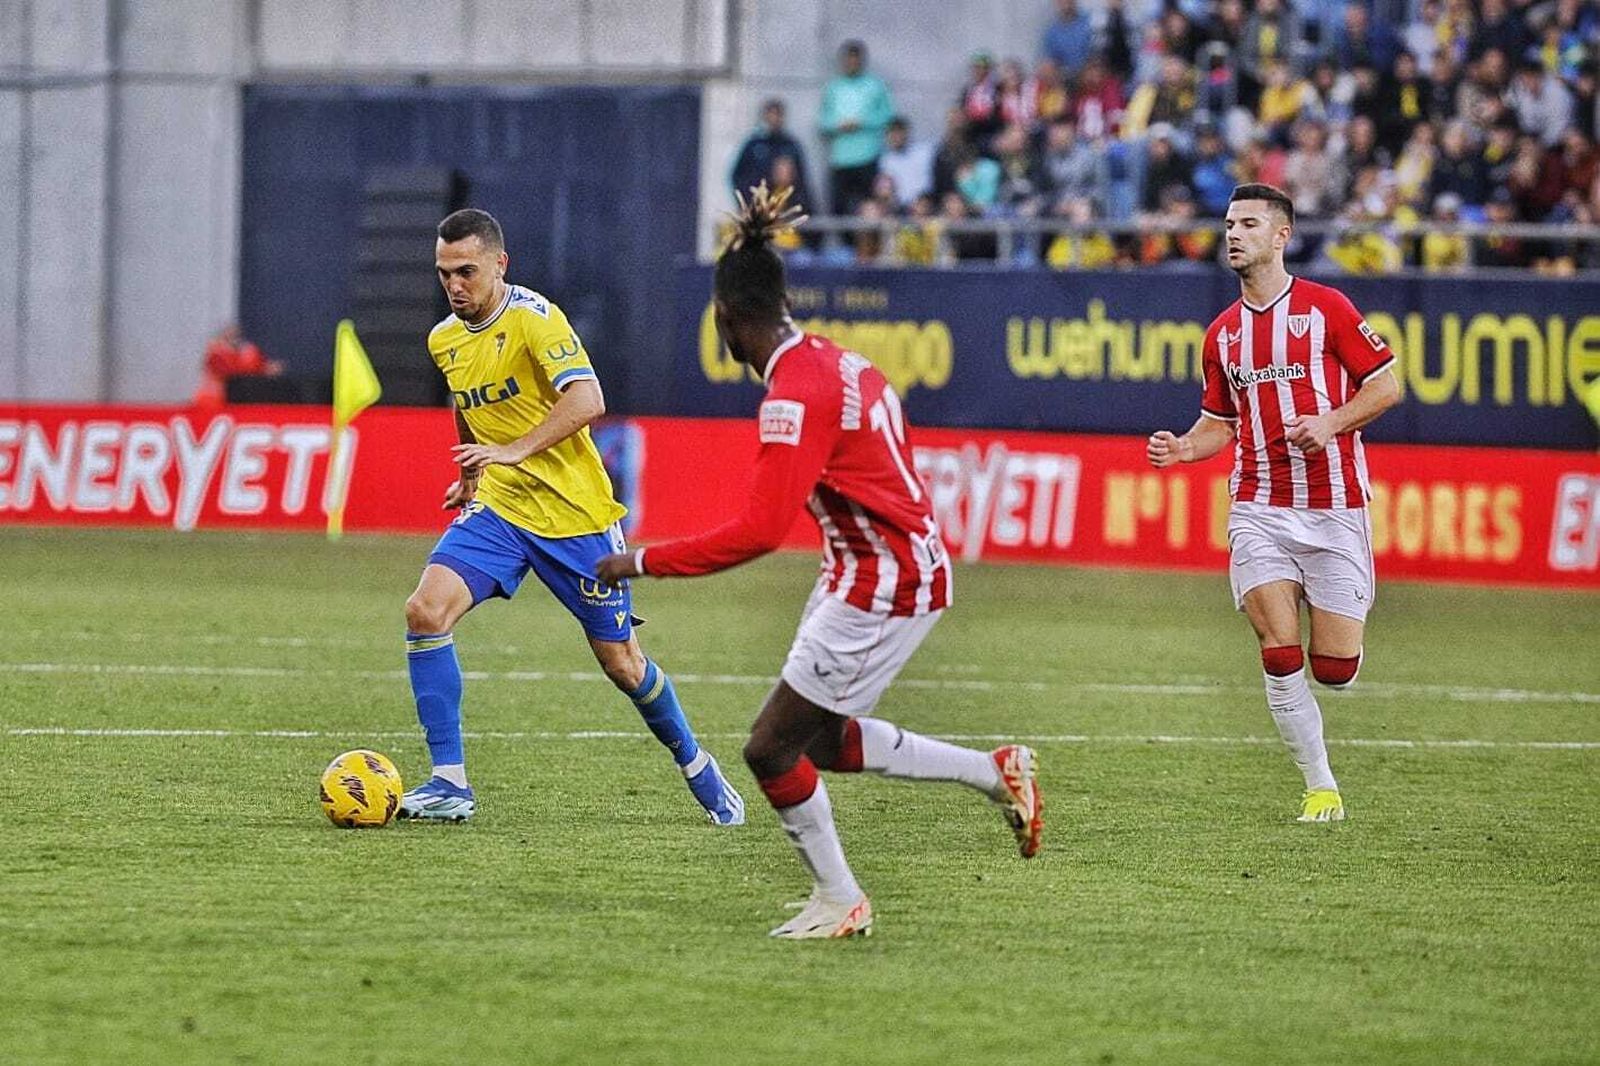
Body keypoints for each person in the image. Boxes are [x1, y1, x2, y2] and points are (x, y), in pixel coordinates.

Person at [595, 184, 1043, 939]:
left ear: (724, 319)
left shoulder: (794, 395)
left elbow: (759, 531)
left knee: (770, 747)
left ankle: (842, 899)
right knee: (823, 739)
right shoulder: (837, 362)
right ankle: (993, 773)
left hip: (884, 581)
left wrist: (637, 562)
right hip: (870, 568)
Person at [399, 208, 745, 826]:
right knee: (425, 611)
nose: (454, 285)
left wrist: (513, 449)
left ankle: (696, 762)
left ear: (500, 265)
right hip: (502, 507)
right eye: (444, 273)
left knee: (623, 664)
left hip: (574, 516)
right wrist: (472, 474)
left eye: (466, 272)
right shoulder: (444, 338)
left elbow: (588, 399)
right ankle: (450, 782)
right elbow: (466, 401)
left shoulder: (537, 320)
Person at [1145, 183, 1401, 824]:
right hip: (1258, 506)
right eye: (1230, 224)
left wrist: (1331, 422)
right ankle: (1321, 787)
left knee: (1334, 669)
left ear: (1282, 235)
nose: (1233, 234)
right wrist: (1184, 447)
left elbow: (1386, 386)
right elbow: (1219, 424)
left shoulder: (1327, 309)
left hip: (1335, 506)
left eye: (1249, 224)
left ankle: (1338, 640)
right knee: (1279, 652)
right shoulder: (1222, 335)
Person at [819, 41, 895, 216]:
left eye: (856, 59)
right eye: (849, 59)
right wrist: (839, 125)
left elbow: (888, 115)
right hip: (840, 159)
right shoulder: (833, 87)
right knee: (838, 210)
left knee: (870, 208)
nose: (852, 63)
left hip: (868, 157)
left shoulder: (875, 85)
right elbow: (823, 121)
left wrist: (862, 122)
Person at [729, 98, 813, 214]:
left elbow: (802, 181)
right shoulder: (753, 145)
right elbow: (738, 176)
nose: (774, 119)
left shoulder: (790, 145)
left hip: (784, 208)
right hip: (756, 207)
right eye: (771, 115)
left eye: (777, 115)